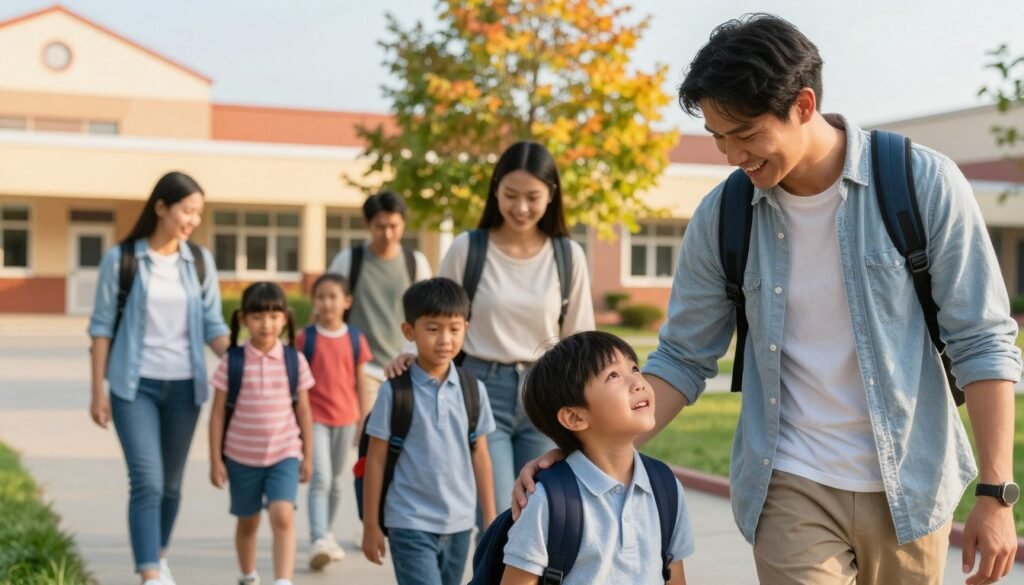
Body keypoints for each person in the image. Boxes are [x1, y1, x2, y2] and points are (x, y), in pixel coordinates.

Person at [514, 14, 1022, 585]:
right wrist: (582, 452)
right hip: (789, 482)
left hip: (911, 478)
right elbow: (682, 357)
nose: (732, 155)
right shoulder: (723, 216)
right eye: (717, 137)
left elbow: (982, 339)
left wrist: (997, 492)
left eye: (747, 133)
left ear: (803, 105)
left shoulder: (921, 183)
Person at [426, 141, 594, 523]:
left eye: (532, 197)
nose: (521, 208)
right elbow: (435, 316)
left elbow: (579, 342)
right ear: (495, 190)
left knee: (543, 516)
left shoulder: (568, 256)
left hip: (545, 393)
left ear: (551, 195)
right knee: (496, 516)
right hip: (480, 390)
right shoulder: (468, 249)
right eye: (511, 195)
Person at [87, 171, 229, 585]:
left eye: (198, 213)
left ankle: (159, 555)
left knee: (170, 483)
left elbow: (212, 324)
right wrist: (98, 390)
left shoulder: (200, 262)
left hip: (186, 387)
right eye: (187, 210)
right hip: (135, 386)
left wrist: (245, 358)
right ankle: (149, 572)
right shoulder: (123, 259)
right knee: (147, 478)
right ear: (161, 207)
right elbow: (101, 328)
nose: (192, 220)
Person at [500, 331, 692, 584]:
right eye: (613, 375)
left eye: (634, 368)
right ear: (575, 418)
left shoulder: (665, 487)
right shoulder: (548, 501)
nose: (638, 382)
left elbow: (674, 577)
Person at [362, 278, 497, 585]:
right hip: (409, 520)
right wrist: (371, 525)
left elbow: (481, 455)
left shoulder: (473, 389)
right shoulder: (394, 392)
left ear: (466, 327)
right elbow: (376, 460)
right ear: (410, 332)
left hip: (460, 523)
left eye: (454, 328)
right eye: (433, 329)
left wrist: (489, 520)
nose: (445, 339)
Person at [208, 282, 315, 585]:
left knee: (282, 515)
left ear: (285, 318)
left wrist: (308, 456)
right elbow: (217, 415)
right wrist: (215, 460)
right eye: (257, 316)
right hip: (241, 458)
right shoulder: (233, 361)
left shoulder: (295, 360)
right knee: (248, 522)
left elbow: (304, 411)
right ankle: (247, 575)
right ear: (243, 319)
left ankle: (283, 580)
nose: (266, 324)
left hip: (284, 454)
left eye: (273, 316)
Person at [294, 274, 372, 570]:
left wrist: (363, 420)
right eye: (321, 297)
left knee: (337, 482)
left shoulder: (354, 338)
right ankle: (317, 538)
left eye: (333, 297)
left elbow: (361, 381)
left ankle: (326, 533)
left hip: (346, 419)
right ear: (314, 302)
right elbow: (298, 381)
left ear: (347, 302)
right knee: (321, 478)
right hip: (315, 420)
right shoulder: (306, 338)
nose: (327, 303)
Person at [326, 191, 431, 406]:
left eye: (394, 226)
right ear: (367, 224)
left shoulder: (416, 263)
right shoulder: (348, 260)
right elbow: (326, 311)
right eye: (380, 226)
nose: (388, 234)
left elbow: (428, 315)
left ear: (403, 223)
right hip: (359, 370)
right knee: (367, 436)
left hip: (405, 368)